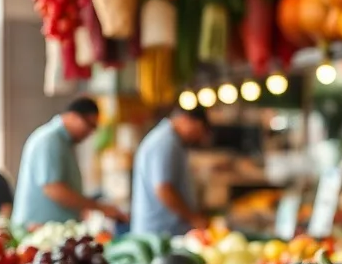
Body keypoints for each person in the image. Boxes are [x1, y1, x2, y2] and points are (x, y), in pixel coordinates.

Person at [11, 98, 127, 227]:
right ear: (73, 116)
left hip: (55, 229)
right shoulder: (50, 140)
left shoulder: (64, 142)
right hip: (39, 230)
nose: (90, 133)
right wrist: (98, 207)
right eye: (89, 125)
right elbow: (54, 189)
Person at [131, 105, 210, 236]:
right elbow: (164, 189)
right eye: (197, 130)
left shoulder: (171, 140)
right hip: (158, 233)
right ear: (185, 119)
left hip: (164, 231)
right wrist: (193, 218)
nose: (197, 137)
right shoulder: (166, 142)